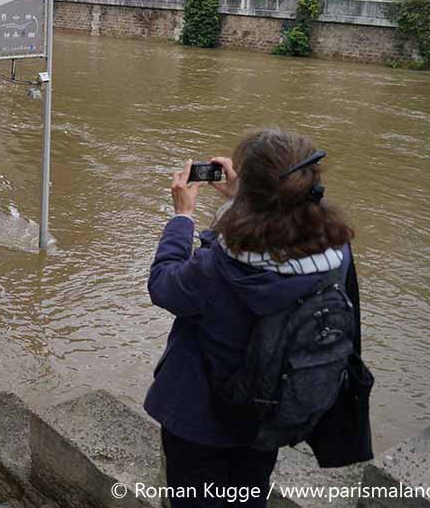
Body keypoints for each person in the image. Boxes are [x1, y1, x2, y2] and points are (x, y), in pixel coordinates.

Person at [144, 128, 359, 507]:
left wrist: (183, 218)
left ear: (254, 193)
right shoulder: (336, 253)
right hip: (269, 413)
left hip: (200, 418)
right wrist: (244, 199)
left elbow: (164, 286)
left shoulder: (218, 266)